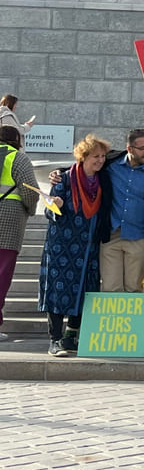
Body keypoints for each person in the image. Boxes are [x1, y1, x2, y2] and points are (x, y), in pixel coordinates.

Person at [39, 135, 110, 356]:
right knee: (58, 292)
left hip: (88, 246)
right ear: (84, 156)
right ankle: (55, 340)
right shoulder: (64, 179)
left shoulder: (103, 180)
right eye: (96, 156)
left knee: (85, 290)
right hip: (62, 246)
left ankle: (71, 336)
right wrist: (56, 205)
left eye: (103, 156)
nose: (100, 160)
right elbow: (50, 212)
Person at [97, 129, 144, 294]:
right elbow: (85, 166)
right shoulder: (109, 164)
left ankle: (133, 321)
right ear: (129, 149)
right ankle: (113, 321)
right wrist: (60, 171)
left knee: (135, 288)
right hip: (111, 235)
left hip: (139, 237)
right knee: (110, 288)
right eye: (143, 148)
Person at [0, 127, 39, 340]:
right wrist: (31, 210)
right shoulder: (17, 157)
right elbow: (30, 189)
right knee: (1, 275)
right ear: (18, 140)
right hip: (8, 223)